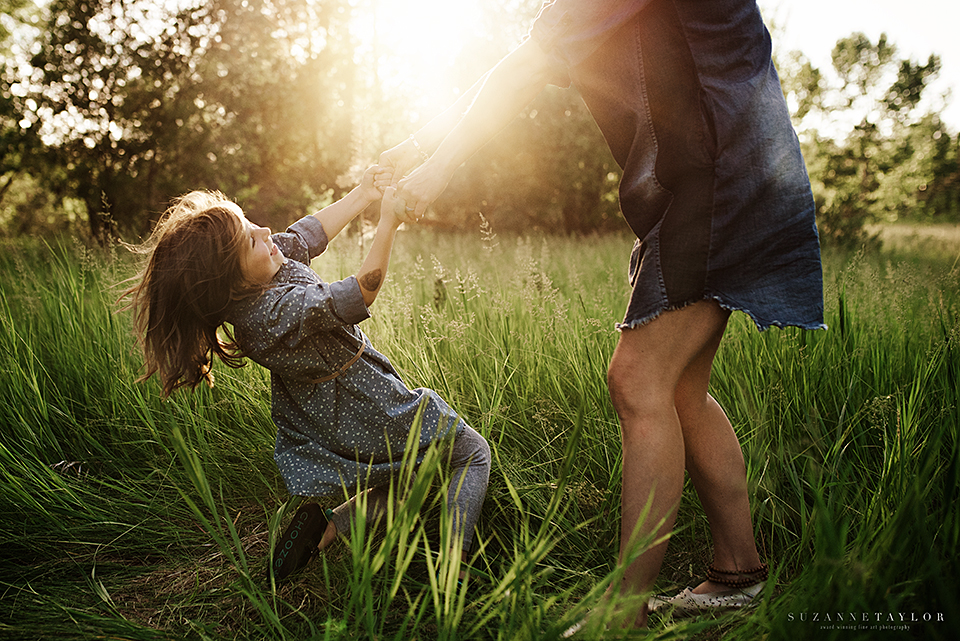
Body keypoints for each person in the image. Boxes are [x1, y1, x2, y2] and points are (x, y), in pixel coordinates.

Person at [379, 0, 824, 629]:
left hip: (719, 177)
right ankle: (738, 573)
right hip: (709, 178)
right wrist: (418, 146)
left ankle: (623, 612)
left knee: (638, 380)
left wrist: (440, 167)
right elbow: (517, 64)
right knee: (678, 389)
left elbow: (524, 67)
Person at [124, 168, 490, 582]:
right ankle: (453, 572)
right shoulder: (269, 315)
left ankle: (329, 527)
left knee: (417, 473)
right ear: (228, 282)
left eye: (250, 222)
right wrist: (387, 223)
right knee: (471, 454)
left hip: (337, 412)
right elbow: (361, 291)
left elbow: (308, 234)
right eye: (250, 238)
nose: (265, 231)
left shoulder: (260, 270)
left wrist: (363, 193)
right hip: (365, 405)